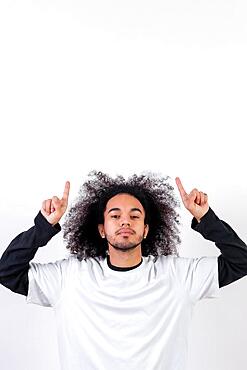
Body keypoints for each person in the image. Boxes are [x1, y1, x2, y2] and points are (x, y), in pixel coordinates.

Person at [0, 170, 247, 370]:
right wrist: (44, 225)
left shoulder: (178, 275)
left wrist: (206, 218)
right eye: (115, 215)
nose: (125, 221)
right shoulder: (70, 276)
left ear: (147, 229)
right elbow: (8, 271)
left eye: (135, 216)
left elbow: (241, 261)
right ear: (101, 229)